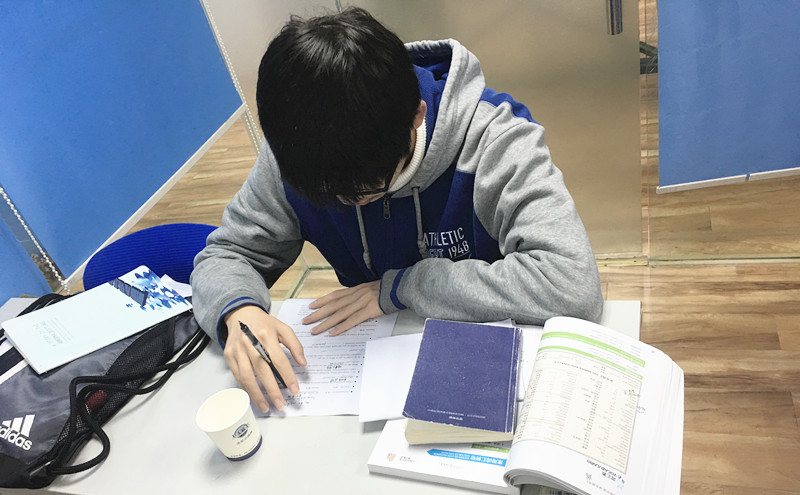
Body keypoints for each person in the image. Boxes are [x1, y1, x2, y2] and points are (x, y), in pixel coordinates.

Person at [190, 7, 603, 413]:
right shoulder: (299, 151)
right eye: (328, 196)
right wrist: (237, 309)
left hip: (489, 360)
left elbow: (571, 285)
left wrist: (406, 286)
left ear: (416, 117)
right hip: (368, 370)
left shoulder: (494, 139)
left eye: (367, 190)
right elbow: (228, 253)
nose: (348, 203)